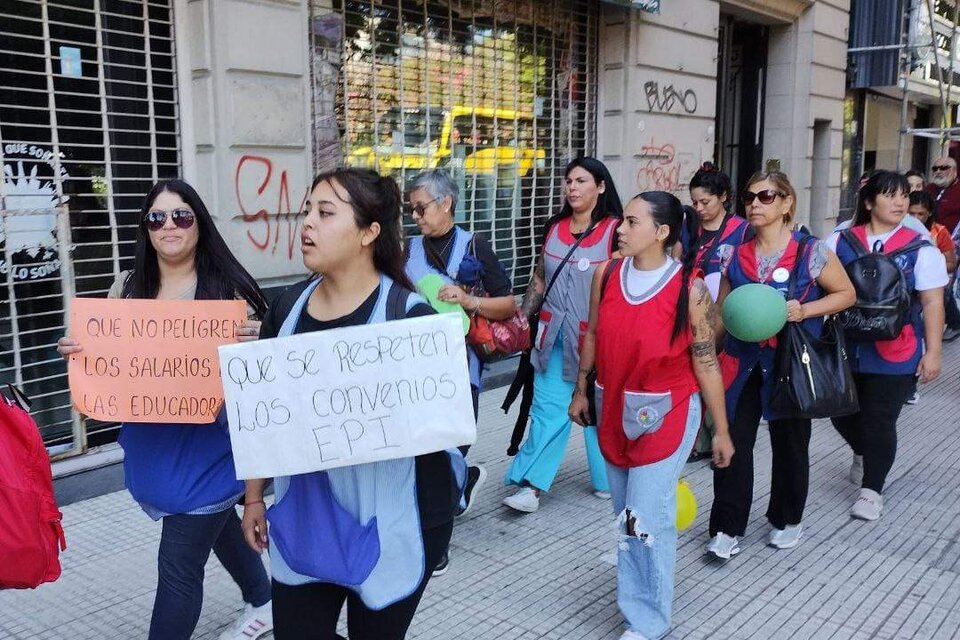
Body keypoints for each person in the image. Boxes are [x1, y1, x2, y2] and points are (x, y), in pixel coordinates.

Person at [241, 169, 459, 640]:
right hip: (307, 516)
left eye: (324, 213)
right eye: (306, 211)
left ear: (368, 232)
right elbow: (263, 418)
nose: (306, 224)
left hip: (396, 518)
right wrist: (254, 497)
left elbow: (446, 427)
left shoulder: (412, 320)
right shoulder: (284, 311)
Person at [57, 180, 273, 640]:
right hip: (156, 442)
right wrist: (81, 351)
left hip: (211, 449)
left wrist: (259, 345)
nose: (169, 226)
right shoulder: (130, 287)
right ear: (145, 228)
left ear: (199, 223)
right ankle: (263, 596)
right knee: (214, 526)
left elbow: (264, 380)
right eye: (157, 218)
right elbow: (114, 360)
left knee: (178, 563)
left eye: (181, 216)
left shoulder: (230, 291)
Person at [568, 191, 734, 640]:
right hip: (612, 407)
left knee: (646, 516)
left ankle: (646, 621)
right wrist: (581, 388)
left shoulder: (690, 289)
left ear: (661, 233)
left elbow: (705, 361)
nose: (620, 229)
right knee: (627, 514)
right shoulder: (606, 274)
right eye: (622, 220)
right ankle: (638, 588)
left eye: (631, 222)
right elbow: (594, 336)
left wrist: (721, 429)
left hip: (668, 416)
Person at [707, 171, 855, 559]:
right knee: (733, 440)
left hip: (790, 363)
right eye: (749, 196)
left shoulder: (812, 251)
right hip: (742, 363)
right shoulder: (733, 253)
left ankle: (787, 519)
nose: (755, 203)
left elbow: (845, 294)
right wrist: (703, 354)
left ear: (787, 203)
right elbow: (722, 311)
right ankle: (726, 526)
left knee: (790, 444)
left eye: (766, 196)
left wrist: (804, 309)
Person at [404, 168, 516, 574]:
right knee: (427, 451)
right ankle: (458, 486)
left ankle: (439, 540)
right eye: (411, 210)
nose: (415, 217)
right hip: (416, 368)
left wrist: (469, 300)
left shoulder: (474, 246)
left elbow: (509, 304)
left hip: (461, 367)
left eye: (421, 208)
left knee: (450, 447)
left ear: (445, 202)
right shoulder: (408, 249)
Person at [502, 157, 623, 512]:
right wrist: (521, 320)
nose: (572, 187)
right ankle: (532, 485)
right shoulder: (554, 227)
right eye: (568, 181)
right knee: (548, 409)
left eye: (581, 181)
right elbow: (540, 277)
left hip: (597, 339)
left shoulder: (615, 231)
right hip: (552, 337)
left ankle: (607, 479)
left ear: (600, 187)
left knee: (599, 413)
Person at [828, 171, 946, 521]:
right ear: (868, 202)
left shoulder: (920, 247)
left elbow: (932, 303)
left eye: (904, 196)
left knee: (879, 419)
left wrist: (934, 352)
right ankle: (866, 452)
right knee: (840, 413)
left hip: (896, 351)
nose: (900, 202)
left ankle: (871, 490)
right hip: (846, 347)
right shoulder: (840, 242)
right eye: (890, 195)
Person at [680, 162, 753, 460]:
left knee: (719, 374)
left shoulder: (743, 230)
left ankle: (714, 434)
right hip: (692, 312)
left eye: (705, 202)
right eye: (695, 202)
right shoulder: (689, 227)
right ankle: (696, 437)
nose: (699, 208)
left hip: (729, 315)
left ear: (723, 196)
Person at [925, 156, 960, 233]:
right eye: (935, 169)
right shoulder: (928, 189)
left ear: (954, 170)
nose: (938, 171)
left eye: (943, 168)